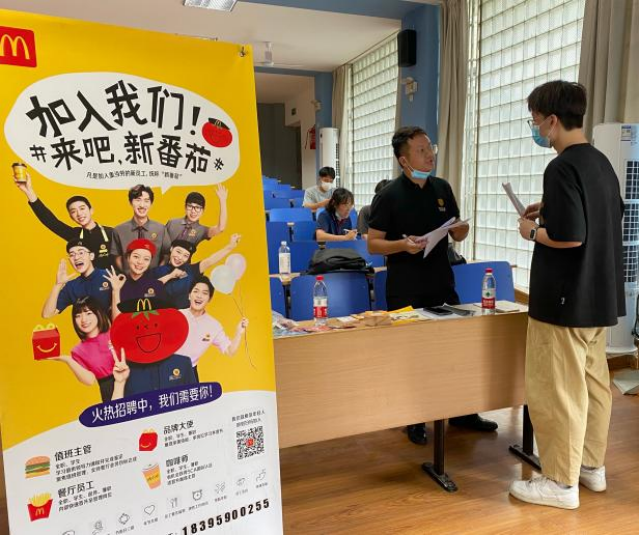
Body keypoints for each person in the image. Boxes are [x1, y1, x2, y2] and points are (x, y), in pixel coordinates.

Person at [509, 81, 624, 510]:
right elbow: (602, 217)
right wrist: (549, 208)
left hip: (563, 301)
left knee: (557, 391)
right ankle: (590, 467)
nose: (535, 128)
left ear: (553, 121)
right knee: (593, 387)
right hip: (598, 298)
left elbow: (572, 236)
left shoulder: (560, 168)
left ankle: (560, 481)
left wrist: (532, 231)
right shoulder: (601, 163)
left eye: (536, 120)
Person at [367, 126, 497, 444]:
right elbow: (373, 243)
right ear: (404, 160)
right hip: (405, 286)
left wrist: (461, 230)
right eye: (421, 150)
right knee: (412, 355)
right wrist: (402, 245)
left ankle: (462, 412)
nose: (430, 155)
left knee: (454, 349)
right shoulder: (388, 195)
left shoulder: (442, 187)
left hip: (441, 281)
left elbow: (456, 230)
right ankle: (413, 418)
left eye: (431, 148)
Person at [15, 172, 113, 269]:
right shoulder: (75, 235)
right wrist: (29, 191)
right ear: (71, 216)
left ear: (91, 210)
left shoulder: (111, 233)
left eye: (82, 208)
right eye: (73, 211)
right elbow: (50, 221)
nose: (79, 214)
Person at [176, 276, 248, 381]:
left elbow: (230, 351)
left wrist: (238, 332)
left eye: (204, 293)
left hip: (190, 372)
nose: (199, 296)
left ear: (209, 299)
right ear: (189, 295)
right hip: (167, 368)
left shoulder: (214, 326)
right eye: (196, 291)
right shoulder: (176, 315)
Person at [46, 297, 114, 402]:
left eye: (88, 313)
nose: (83, 320)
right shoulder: (78, 351)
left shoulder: (114, 334)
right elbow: (89, 380)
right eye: (78, 316)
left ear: (98, 313)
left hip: (132, 381)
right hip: (109, 391)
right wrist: (68, 360)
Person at [151, 233, 241, 309]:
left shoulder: (191, 270)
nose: (180, 257)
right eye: (178, 252)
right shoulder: (156, 271)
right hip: (159, 316)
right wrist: (170, 276)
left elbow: (210, 261)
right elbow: (149, 291)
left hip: (183, 317)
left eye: (185, 255)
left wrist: (230, 247)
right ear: (171, 249)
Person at [42, 239, 112, 318]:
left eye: (81, 253)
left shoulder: (110, 276)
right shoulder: (71, 286)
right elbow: (47, 314)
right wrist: (58, 285)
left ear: (91, 256)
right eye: (72, 255)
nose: (76, 257)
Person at [111, 184, 171, 272]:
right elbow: (117, 256)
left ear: (151, 204)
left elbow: (166, 255)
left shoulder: (161, 229)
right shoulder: (119, 230)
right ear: (131, 202)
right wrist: (126, 275)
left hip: (153, 278)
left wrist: (157, 274)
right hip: (128, 278)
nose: (142, 205)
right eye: (138, 200)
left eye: (146, 201)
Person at [105, 239, 166, 317]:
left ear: (150, 262)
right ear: (128, 258)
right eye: (136, 257)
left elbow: (161, 317)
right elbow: (116, 320)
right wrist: (116, 290)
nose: (140, 262)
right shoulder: (117, 284)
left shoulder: (157, 285)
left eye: (146, 259)